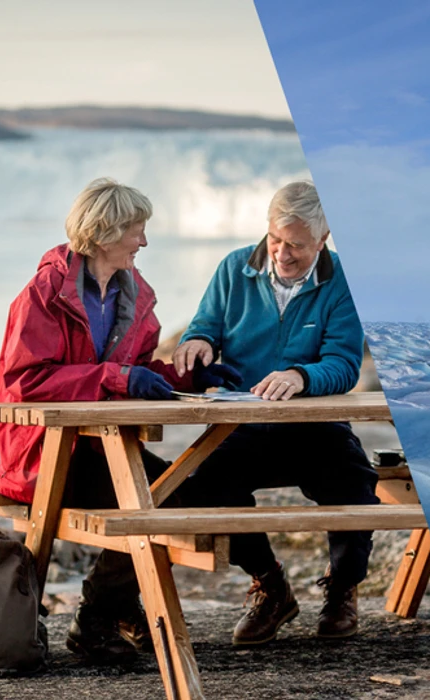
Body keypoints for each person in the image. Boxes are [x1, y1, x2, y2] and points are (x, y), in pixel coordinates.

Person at [0, 178, 236, 663]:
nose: (143, 241)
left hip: (102, 449)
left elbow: (134, 373)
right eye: (136, 230)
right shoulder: (42, 294)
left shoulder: (135, 295)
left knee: (173, 494)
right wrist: (119, 376)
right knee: (152, 502)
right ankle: (102, 620)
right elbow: (26, 382)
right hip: (45, 455)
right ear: (104, 232)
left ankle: (104, 615)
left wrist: (188, 376)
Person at [170, 181, 376, 645]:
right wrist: (198, 341)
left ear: (323, 240)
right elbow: (203, 327)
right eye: (275, 240)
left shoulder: (344, 279)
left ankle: (342, 589)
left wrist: (301, 377)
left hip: (314, 428)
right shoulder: (233, 269)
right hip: (242, 424)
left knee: (356, 484)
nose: (282, 254)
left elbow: (344, 364)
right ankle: (271, 585)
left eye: (297, 246)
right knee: (202, 486)